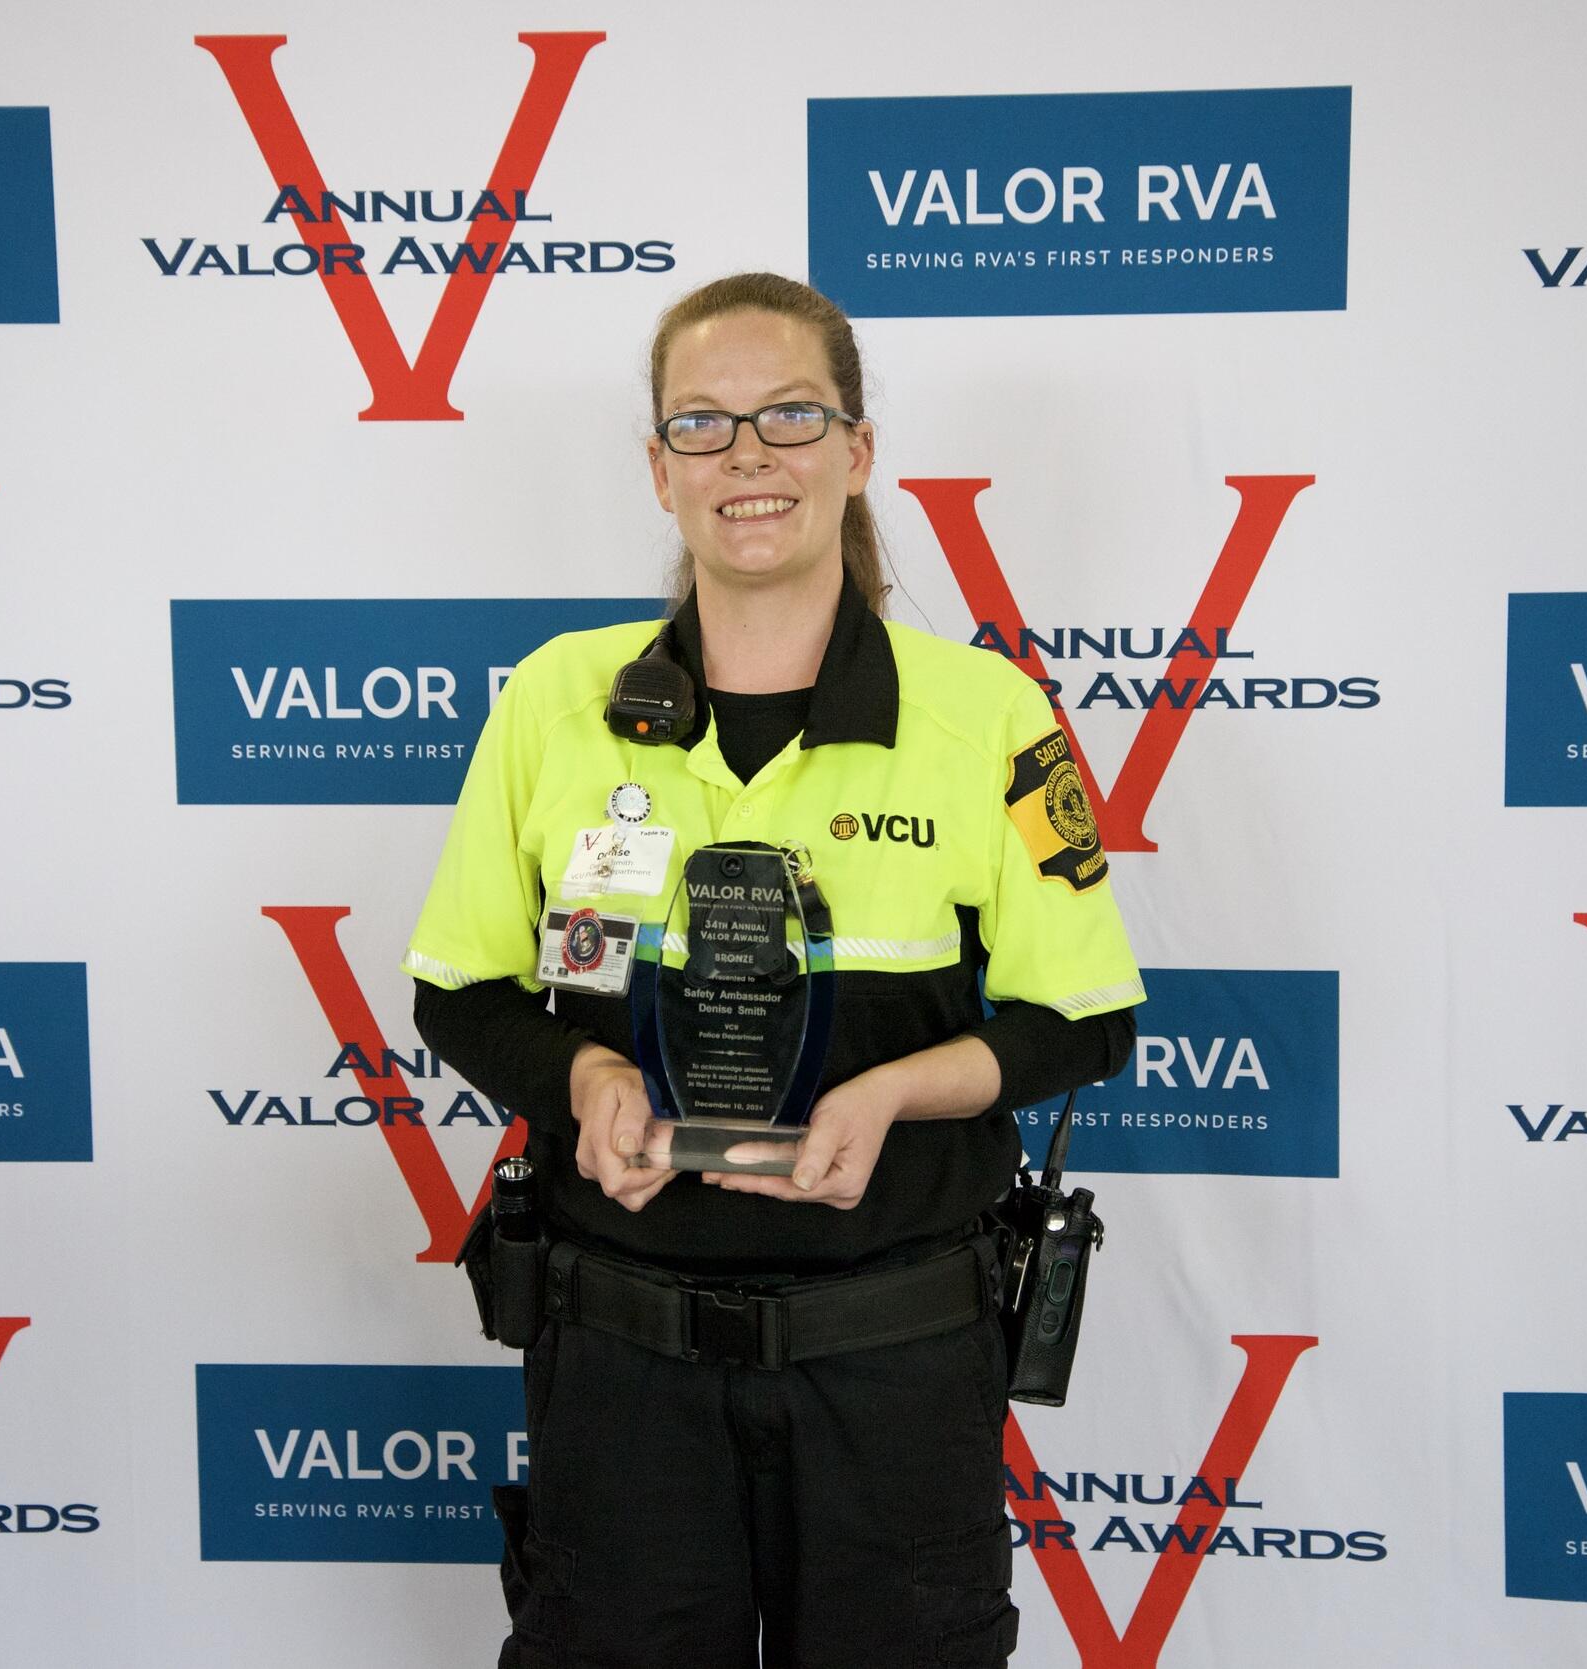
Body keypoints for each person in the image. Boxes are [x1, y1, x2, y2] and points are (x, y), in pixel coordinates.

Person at [403, 271, 1142, 1668]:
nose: (748, 454)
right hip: (618, 1369)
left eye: (791, 415)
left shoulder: (992, 715)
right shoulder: (557, 699)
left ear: (859, 454)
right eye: (704, 422)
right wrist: (588, 1074)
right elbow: (461, 987)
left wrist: (897, 1095)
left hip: (896, 1366)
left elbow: (1082, 1020)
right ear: (658, 469)